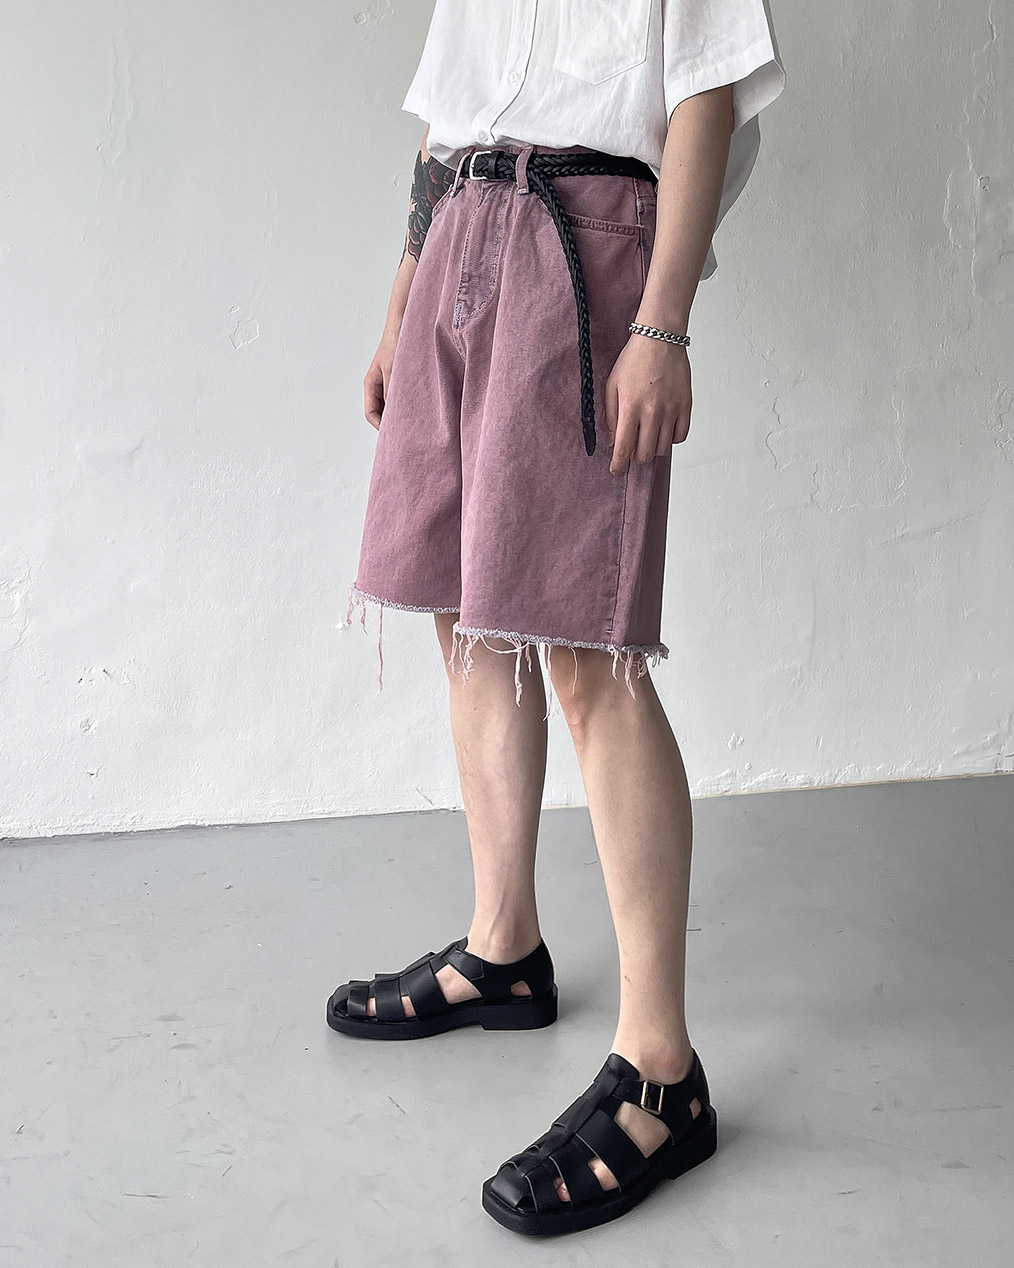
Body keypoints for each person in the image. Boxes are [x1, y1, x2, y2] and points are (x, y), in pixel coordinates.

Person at [330, 0, 785, 1237]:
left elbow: (707, 92)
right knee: (462, 612)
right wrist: (402, 300)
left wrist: (664, 322)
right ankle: (503, 947)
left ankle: (661, 1072)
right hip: (461, 237)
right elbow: (444, 126)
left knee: (590, 646)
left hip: (587, 243)